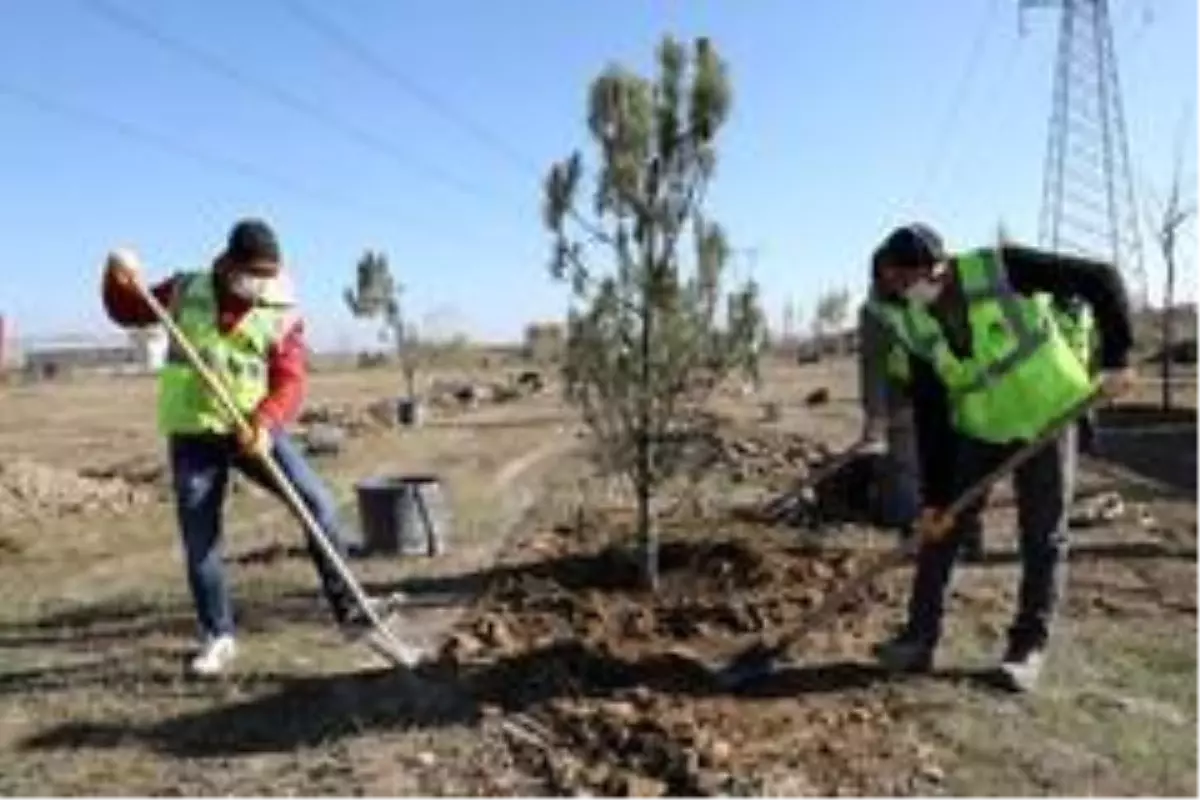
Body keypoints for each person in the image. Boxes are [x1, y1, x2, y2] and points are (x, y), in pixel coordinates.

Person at [101, 218, 407, 676]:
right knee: (201, 540)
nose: (258, 284)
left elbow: (290, 380)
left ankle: (350, 610)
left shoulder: (280, 306)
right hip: (195, 436)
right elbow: (129, 310)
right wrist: (116, 277)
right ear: (228, 265)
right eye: (251, 273)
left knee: (318, 503)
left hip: (253, 430)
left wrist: (264, 424)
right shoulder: (188, 290)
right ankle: (217, 635)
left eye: (268, 274)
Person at [865, 223, 1134, 693]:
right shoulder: (914, 320)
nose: (905, 294)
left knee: (1042, 535)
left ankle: (1026, 650)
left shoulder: (1002, 269)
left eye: (909, 281)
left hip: (1047, 417)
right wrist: (936, 495)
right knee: (942, 528)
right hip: (981, 427)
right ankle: (918, 639)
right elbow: (932, 412)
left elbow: (1101, 279)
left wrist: (1117, 359)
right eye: (895, 287)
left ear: (936, 268)